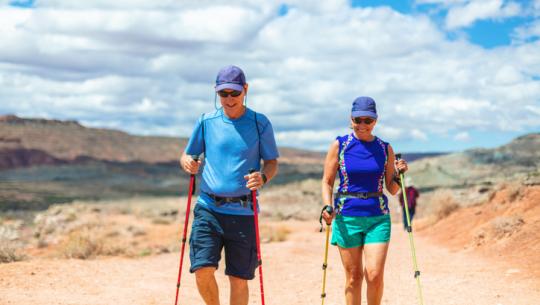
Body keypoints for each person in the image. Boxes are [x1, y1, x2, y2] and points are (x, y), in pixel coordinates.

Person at [180, 65, 279, 305]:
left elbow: (272, 162)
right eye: (223, 94)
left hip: (243, 211)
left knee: (238, 278)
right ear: (216, 93)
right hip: (208, 208)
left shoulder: (259, 123)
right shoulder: (206, 122)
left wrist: (263, 177)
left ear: (245, 90)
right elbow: (187, 154)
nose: (229, 99)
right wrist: (187, 162)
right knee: (202, 270)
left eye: (234, 93)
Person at [321, 96, 408, 305]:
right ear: (351, 119)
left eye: (367, 121)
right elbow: (327, 181)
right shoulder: (340, 144)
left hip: (377, 218)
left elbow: (393, 189)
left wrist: (399, 175)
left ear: (375, 121)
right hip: (346, 218)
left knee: (374, 275)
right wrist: (327, 205)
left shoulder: (385, 148)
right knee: (353, 278)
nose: (362, 125)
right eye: (358, 120)